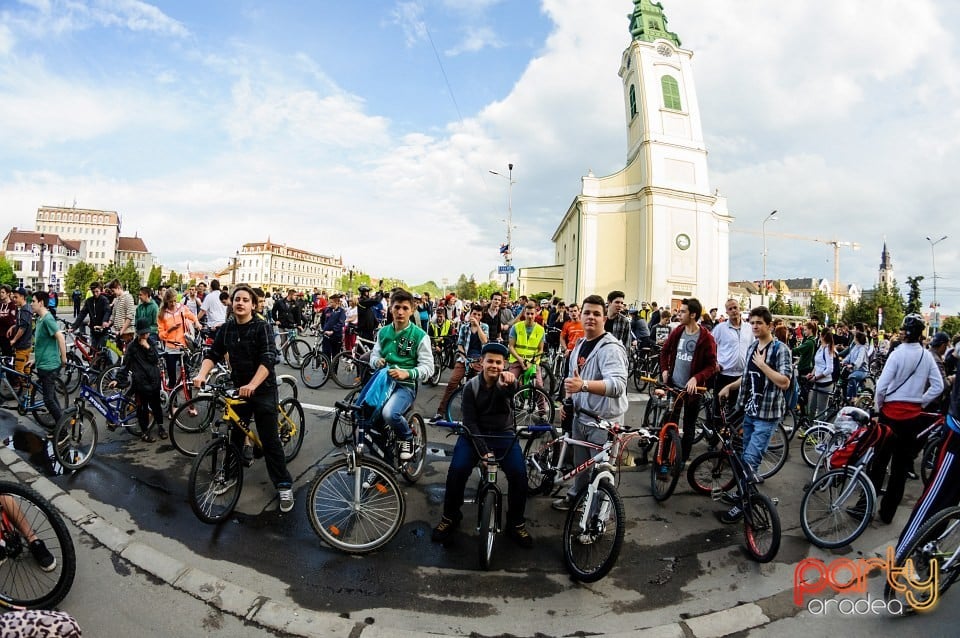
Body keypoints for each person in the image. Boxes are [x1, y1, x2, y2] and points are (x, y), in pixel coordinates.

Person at [193, 284, 295, 513]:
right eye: (236, 299)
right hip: (240, 388)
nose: (240, 303)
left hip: (263, 387)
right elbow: (213, 354)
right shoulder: (227, 329)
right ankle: (230, 475)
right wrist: (201, 374)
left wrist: (252, 384)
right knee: (236, 434)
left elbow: (268, 359)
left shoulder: (262, 327)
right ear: (231, 303)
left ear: (253, 305)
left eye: (245, 300)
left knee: (269, 440)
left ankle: (284, 484)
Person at [431, 342, 533, 547]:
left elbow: (509, 391)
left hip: (504, 434)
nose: (494, 366)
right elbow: (470, 422)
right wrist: (484, 453)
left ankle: (515, 522)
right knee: (457, 470)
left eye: (498, 362)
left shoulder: (506, 382)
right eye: (490, 361)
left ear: (504, 364)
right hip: (473, 434)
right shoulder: (470, 387)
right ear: (481, 362)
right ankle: (450, 516)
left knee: (520, 475)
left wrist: (511, 383)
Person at [552, 294, 628, 510]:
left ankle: (595, 519)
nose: (591, 317)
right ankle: (576, 496)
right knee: (581, 466)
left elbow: (617, 386)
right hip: (581, 417)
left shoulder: (611, 348)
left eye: (597, 313)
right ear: (580, 315)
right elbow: (571, 380)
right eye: (587, 312)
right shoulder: (580, 344)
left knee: (601, 474)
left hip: (604, 423)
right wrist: (567, 403)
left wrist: (583, 385)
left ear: (605, 318)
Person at [717, 306, 792, 523]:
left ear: (769, 326)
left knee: (750, 461)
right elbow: (748, 377)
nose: (755, 326)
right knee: (744, 459)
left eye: (759, 323)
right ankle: (743, 494)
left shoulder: (780, 350)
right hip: (750, 411)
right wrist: (731, 386)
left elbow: (785, 382)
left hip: (767, 415)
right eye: (753, 322)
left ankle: (743, 504)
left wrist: (763, 365)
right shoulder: (752, 347)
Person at [868, 314, 943, 524]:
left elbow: (881, 387)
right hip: (912, 418)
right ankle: (887, 513)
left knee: (879, 463)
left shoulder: (897, 354)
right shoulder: (926, 356)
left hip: (889, 415)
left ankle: (866, 507)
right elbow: (939, 386)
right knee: (900, 469)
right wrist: (920, 402)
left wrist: (880, 406)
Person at [894, 360, 960, 564]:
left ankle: (928, 546)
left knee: (948, 501)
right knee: (936, 498)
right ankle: (904, 552)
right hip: (957, 436)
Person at [369, 288, 434, 461]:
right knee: (365, 418)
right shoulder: (383, 332)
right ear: (390, 308)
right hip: (383, 384)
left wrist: (408, 373)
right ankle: (385, 461)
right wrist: (376, 361)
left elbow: (429, 368)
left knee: (389, 414)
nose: (400, 312)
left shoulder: (420, 336)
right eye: (397, 307)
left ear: (412, 310)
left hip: (405, 387)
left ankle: (407, 437)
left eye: (405, 308)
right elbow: (374, 355)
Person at [660, 298, 717, 462]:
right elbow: (665, 352)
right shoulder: (678, 331)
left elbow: (711, 365)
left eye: (683, 311)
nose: (679, 314)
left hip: (693, 391)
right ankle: (662, 460)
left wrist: (696, 378)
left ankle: (681, 461)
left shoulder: (706, 337)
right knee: (670, 423)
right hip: (674, 387)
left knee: (689, 425)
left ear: (693, 314)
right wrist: (664, 370)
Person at [112, 318, 165, 443]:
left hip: (154, 380)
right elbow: (125, 365)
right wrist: (118, 379)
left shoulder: (151, 343)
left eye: (146, 333)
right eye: (142, 333)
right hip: (140, 384)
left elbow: (155, 359)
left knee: (156, 406)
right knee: (142, 409)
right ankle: (145, 432)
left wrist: (147, 347)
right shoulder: (132, 347)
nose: (144, 335)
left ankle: (161, 427)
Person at [433, 304, 488, 422]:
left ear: (481, 317)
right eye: (474, 314)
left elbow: (485, 341)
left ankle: (475, 415)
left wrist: (477, 326)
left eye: (479, 315)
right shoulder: (464, 327)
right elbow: (460, 344)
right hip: (464, 359)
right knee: (453, 382)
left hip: (479, 360)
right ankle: (440, 412)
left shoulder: (484, 327)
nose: (476, 316)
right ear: (470, 314)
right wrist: (464, 356)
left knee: (477, 387)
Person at [711, 299, 753, 425]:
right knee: (719, 409)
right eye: (730, 309)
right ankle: (714, 439)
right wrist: (714, 362)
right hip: (724, 374)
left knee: (738, 410)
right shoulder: (720, 328)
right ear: (727, 312)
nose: (734, 310)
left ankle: (732, 441)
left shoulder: (749, 328)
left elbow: (753, 347)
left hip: (742, 376)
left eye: (735, 307)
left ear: (740, 308)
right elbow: (710, 346)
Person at [30, 291, 67, 427]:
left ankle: (62, 431)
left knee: (49, 400)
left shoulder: (47, 319)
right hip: (43, 365)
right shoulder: (40, 319)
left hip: (50, 366)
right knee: (52, 398)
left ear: (41, 303)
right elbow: (43, 344)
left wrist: (64, 358)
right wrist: (35, 360)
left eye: (33, 301)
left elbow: (60, 338)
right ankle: (61, 424)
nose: (31, 304)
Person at [157, 288, 201, 385]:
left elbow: (192, 316)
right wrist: (169, 330)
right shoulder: (162, 314)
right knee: (172, 379)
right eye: (170, 302)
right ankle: (174, 399)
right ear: (166, 301)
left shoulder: (182, 308)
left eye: (174, 301)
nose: (173, 304)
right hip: (170, 348)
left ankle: (188, 398)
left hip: (183, 347)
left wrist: (197, 322)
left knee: (187, 377)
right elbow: (160, 335)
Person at [507, 302, 545, 387]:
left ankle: (543, 401)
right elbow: (511, 346)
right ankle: (509, 400)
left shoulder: (541, 330)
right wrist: (520, 360)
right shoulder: (516, 327)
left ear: (536, 314)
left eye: (532, 314)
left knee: (539, 385)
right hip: (517, 360)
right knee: (511, 383)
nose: (530, 316)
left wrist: (532, 362)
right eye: (528, 313)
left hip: (533, 362)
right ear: (524, 313)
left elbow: (540, 350)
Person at [72, 282, 112, 350]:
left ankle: (108, 359)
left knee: (103, 353)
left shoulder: (104, 300)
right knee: (94, 351)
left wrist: (105, 321)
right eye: (93, 292)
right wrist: (74, 326)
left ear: (100, 290)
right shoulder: (89, 301)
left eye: (97, 291)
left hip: (103, 330)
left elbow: (107, 311)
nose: (95, 294)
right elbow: (82, 314)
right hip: (93, 331)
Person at [807, 330, 837, 419]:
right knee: (812, 406)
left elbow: (829, 369)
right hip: (817, 381)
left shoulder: (828, 349)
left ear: (823, 336)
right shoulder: (821, 347)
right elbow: (817, 364)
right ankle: (809, 425)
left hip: (825, 384)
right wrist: (812, 374)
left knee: (821, 409)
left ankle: (819, 431)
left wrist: (816, 377)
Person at [9, 288, 33, 383]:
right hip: (26, 345)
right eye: (13, 297)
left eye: (16, 297)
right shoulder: (24, 309)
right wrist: (14, 326)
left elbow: (22, 328)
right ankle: (29, 391)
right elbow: (22, 324)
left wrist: (14, 340)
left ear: (22, 297)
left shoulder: (25, 310)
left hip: (22, 346)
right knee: (26, 369)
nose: (14, 299)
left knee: (19, 371)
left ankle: (26, 389)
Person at [109, 279, 137, 346]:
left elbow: (130, 316)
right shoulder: (116, 299)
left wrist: (122, 331)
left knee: (127, 355)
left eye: (113, 291)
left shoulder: (128, 297)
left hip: (127, 333)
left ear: (118, 288)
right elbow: (113, 315)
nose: (113, 293)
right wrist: (107, 324)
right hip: (119, 332)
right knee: (120, 355)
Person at [319, 293, 346, 360]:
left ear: (336, 302)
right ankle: (326, 368)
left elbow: (341, 323)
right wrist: (324, 328)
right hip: (326, 336)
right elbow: (322, 319)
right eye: (329, 301)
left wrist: (333, 331)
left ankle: (334, 370)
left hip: (336, 336)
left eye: (331, 302)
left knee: (335, 355)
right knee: (325, 353)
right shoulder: (327, 310)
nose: (329, 303)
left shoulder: (341, 311)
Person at [0, 285, 16, 360]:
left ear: (8, 293)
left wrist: (2, 318)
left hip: (7, 336)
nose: (1, 294)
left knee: (8, 358)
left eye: (3, 292)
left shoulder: (13, 305)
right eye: (0, 292)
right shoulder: (0, 305)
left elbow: (11, 321)